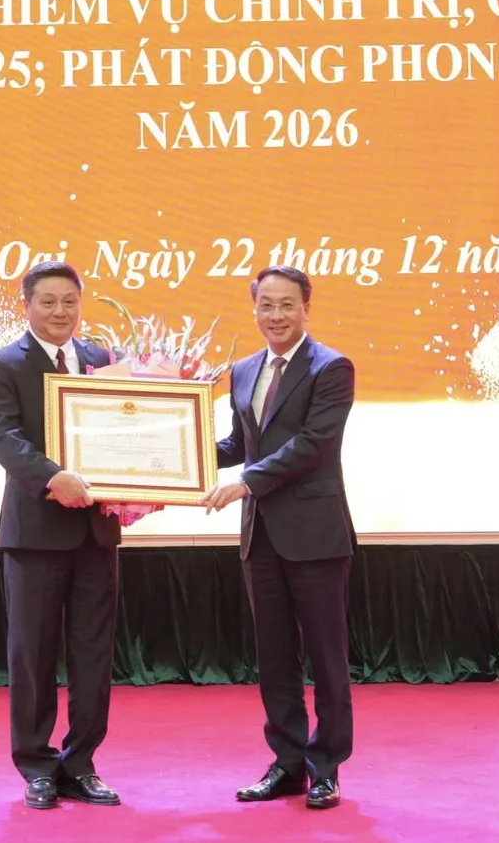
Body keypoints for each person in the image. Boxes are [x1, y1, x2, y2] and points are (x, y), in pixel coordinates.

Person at [202, 264, 356, 810]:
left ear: (306, 308)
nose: (276, 315)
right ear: (255, 309)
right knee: (274, 657)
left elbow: (313, 444)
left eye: (287, 304)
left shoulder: (331, 367)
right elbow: (240, 443)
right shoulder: (243, 370)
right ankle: (288, 764)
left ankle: (326, 767)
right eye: (266, 305)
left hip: (315, 534)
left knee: (327, 657)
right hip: (261, 537)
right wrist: (178, 452)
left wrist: (246, 482)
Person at [0, 261, 125, 810]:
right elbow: (4, 437)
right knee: (32, 655)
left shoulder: (103, 361)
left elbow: (124, 431)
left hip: (95, 533)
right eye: (48, 301)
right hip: (35, 534)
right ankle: (37, 767)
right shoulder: (4, 363)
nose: (60, 311)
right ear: (27, 305)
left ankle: (81, 764)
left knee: (93, 655)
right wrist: (51, 477)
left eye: (69, 301)